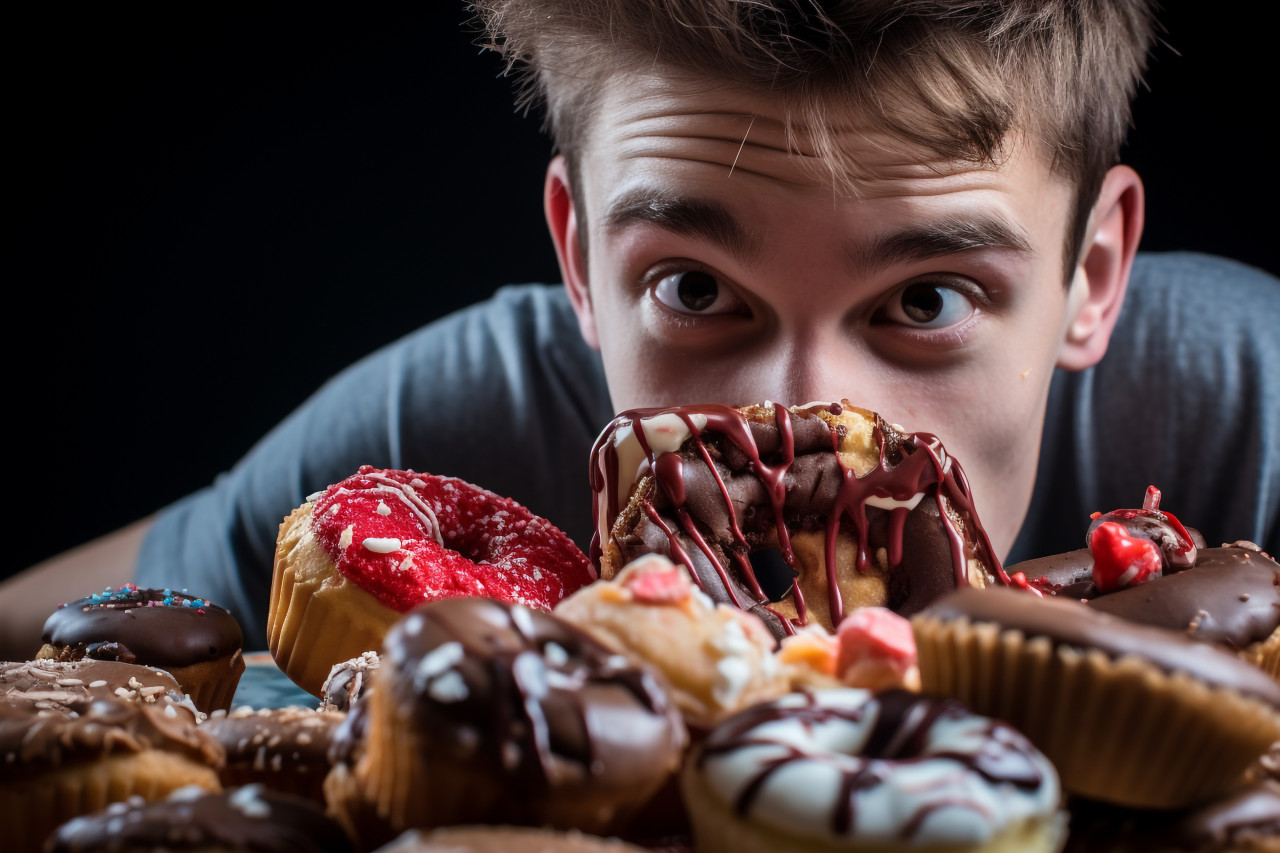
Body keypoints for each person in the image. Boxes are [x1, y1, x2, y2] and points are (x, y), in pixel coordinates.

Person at [3, 0, 1277, 658]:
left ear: (1090, 272)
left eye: (923, 300)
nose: (799, 423)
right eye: (695, 290)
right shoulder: (455, 436)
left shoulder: (1252, 402)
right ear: (577, 258)